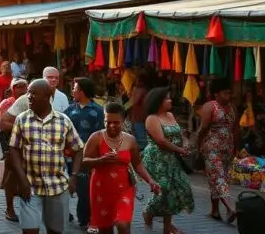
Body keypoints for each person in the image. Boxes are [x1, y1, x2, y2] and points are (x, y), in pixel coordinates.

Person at [7, 79, 84, 234]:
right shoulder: (22, 119)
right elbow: (13, 149)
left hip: (58, 187)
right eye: (28, 92)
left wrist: (74, 177)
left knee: (54, 231)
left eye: (33, 93)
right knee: (30, 230)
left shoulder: (63, 121)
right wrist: (22, 180)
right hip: (30, 186)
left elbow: (78, 149)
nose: (28, 96)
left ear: (47, 96)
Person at [82, 102, 160, 234]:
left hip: (124, 189)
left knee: (123, 225)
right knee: (105, 229)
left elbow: (138, 164)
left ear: (123, 121)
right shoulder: (96, 138)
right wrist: (100, 160)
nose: (112, 125)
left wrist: (150, 181)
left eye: (116, 122)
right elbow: (84, 161)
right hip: (101, 189)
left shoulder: (130, 140)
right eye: (108, 122)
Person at [140, 87, 195, 233]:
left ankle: (167, 225)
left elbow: (179, 133)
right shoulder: (152, 119)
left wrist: (186, 143)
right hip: (156, 159)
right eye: (167, 98)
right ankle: (148, 211)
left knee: (179, 187)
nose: (170, 100)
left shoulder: (170, 115)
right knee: (163, 189)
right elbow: (161, 141)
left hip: (172, 159)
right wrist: (180, 150)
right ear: (158, 101)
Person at [195, 77, 239, 222]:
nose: (228, 96)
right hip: (212, 148)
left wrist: (235, 149)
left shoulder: (233, 107)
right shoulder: (210, 107)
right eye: (225, 93)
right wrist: (198, 145)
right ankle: (230, 208)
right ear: (216, 94)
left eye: (229, 93)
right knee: (219, 177)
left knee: (217, 178)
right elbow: (203, 129)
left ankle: (215, 211)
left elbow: (236, 129)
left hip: (227, 148)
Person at [64, 77, 105, 232]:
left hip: (88, 158)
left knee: (85, 190)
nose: (73, 91)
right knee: (70, 187)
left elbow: (102, 134)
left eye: (75, 88)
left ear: (82, 91)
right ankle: (68, 214)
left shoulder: (97, 111)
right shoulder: (69, 110)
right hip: (69, 156)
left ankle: (84, 220)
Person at [0, 78, 28, 222]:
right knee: (12, 174)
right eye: (18, 86)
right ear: (12, 88)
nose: (21, 89)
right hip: (12, 142)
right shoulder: (9, 103)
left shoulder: (30, 100)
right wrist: (25, 130)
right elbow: (3, 125)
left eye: (24, 86)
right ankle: (9, 208)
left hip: (31, 145)